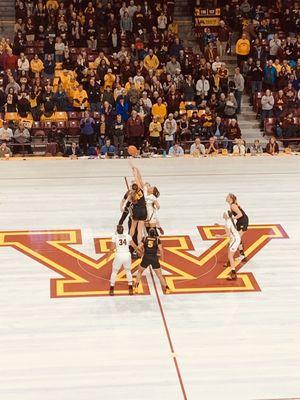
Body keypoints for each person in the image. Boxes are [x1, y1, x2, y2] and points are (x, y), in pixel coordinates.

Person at [134, 228, 170, 293]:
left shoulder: (145, 238)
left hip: (146, 257)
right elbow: (161, 250)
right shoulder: (157, 240)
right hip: (154, 258)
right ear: (155, 234)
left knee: (139, 272)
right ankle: (167, 288)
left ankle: (136, 288)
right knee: (159, 275)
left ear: (148, 233)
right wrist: (162, 259)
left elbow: (138, 247)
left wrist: (142, 253)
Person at [109, 225, 138, 296]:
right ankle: (130, 288)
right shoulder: (127, 236)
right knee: (128, 271)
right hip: (127, 255)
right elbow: (134, 246)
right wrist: (139, 251)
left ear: (117, 230)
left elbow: (112, 248)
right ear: (123, 230)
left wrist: (109, 254)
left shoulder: (115, 237)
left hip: (119, 255)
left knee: (114, 271)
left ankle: (112, 289)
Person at [213, 211, 241, 281]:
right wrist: (219, 225)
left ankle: (233, 274)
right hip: (234, 238)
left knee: (230, 256)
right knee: (228, 248)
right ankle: (229, 262)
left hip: (235, 239)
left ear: (227, 215)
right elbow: (227, 227)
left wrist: (220, 236)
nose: (223, 214)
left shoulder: (228, 221)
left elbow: (228, 234)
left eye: (224, 213)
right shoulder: (229, 220)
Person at [226, 193, 249, 261]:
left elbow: (240, 214)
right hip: (240, 222)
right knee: (238, 238)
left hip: (243, 221)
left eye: (227, 197)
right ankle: (242, 255)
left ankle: (239, 256)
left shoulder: (233, 205)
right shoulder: (232, 205)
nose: (226, 197)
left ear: (230, 198)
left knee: (236, 238)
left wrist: (232, 218)